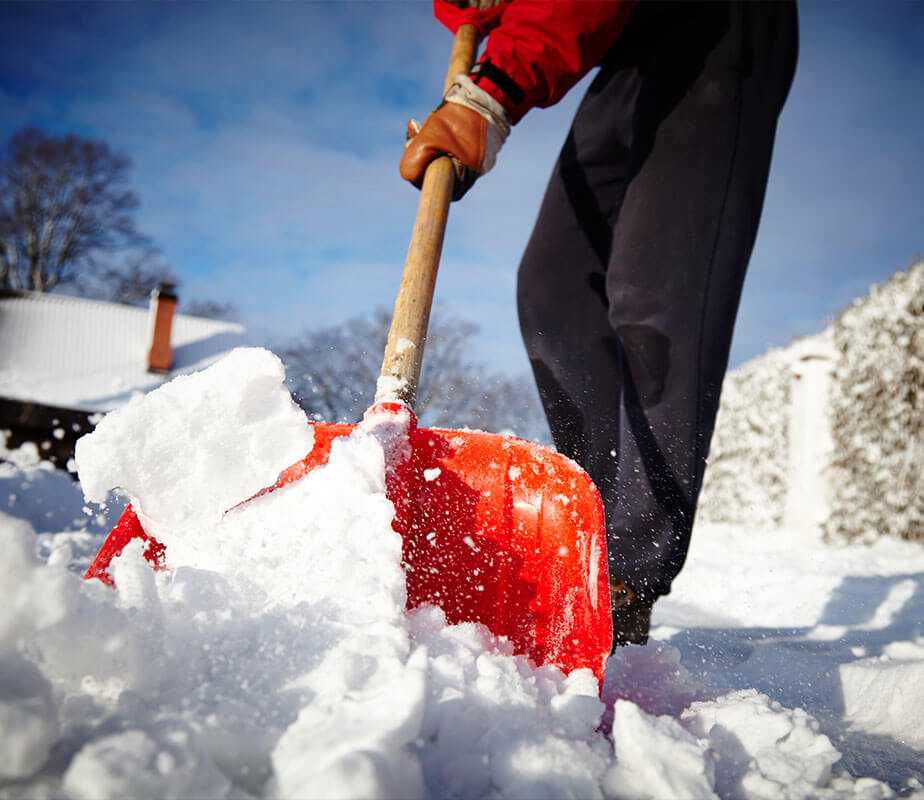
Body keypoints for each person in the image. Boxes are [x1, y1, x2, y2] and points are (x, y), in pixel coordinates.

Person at [400, 0, 798, 647]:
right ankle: (593, 528)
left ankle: (627, 574)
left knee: (654, 292)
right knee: (553, 289)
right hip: (630, 48)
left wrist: (491, 95)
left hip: (719, 27)